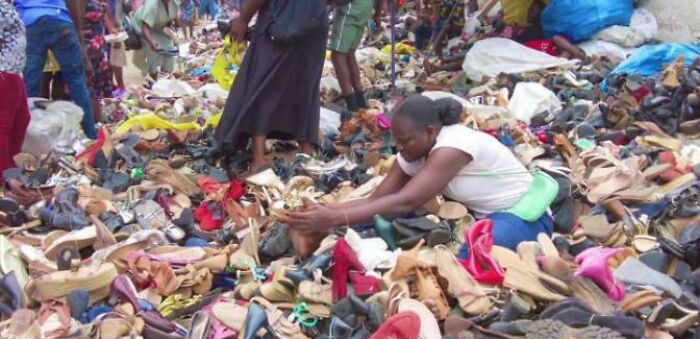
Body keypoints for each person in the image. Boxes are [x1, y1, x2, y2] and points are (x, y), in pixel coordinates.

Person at [288, 95, 554, 249]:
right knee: (385, 217)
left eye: (405, 141)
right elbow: (376, 201)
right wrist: (325, 211)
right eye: (397, 141)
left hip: (524, 216)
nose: (399, 149)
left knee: (468, 252)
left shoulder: (453, 144)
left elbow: (406, 199)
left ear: (429, 131)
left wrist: (333, 219)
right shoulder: (415, 148)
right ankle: (318, 232)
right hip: (481, 215)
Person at [214, 0, 328, 174]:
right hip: (312, 25)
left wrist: (243, 19)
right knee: (305, 83)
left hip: (280, 23)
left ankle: (259, 159)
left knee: (264, 85)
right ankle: (306, 152)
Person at [15, 0, 98, 139]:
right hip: (60, 22)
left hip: (30, 25)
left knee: (31, 86)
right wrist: (78, 31)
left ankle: (30, 139)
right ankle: (91, 135)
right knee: (77, 82)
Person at [329, 0, 383, 112]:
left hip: (351, 9)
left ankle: (351, 104)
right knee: (349, 53)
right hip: (365, 9)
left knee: (337, 55)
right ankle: (360, 99)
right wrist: (378, 13)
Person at [0, 0, 30, 182]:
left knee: (22, 118)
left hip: (13, 71)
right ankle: (4, 177)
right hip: (4, 72)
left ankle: (10, 168)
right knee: (4, 125)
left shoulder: (6, 5)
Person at [83, 0, 118, 122]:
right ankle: (94, 121)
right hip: (87, 47)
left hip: (100, 47)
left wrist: (112, 29)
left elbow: (104, 16)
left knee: (103, 81)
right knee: (90, 85)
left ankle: (107, 118)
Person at [131, 0, 178, 79]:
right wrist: (151, 42)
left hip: (159, 28)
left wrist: (171, 27)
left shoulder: (174, 3)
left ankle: (167, 73)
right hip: (144, 29)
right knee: (153, 50)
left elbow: (171, 17)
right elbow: (144, 27)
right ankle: (154, 74)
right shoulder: (152, 5)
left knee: (170, 49)